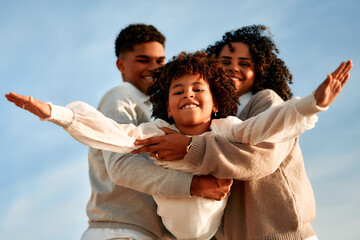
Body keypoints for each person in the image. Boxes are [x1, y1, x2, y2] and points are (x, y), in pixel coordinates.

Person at [6, 51, 352, 240]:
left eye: (197, 89)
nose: (188, 93)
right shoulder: (155, 130)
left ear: (216, 102)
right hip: (173, 232)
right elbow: (110, 132)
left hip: (216, 232)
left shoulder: (228, 129)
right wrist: (56, 113)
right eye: (177, 91)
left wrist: (312, 104)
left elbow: (267, 126)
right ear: (167, 107)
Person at [131, 25, 353, 240]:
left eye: (244, 63)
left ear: (260, 70)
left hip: (279, 233)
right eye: (225, 61)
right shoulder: (209, 118)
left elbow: (260, 159)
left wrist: (189, 148)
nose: (234, 67)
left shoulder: (267, 101)